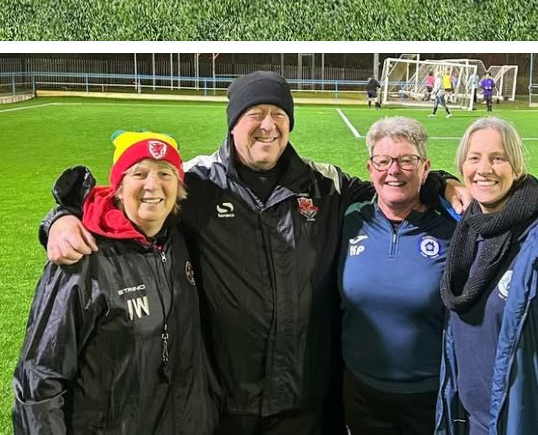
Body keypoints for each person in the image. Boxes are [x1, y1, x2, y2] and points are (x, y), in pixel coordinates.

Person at [42, 69, 462, 435]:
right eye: (254, 114)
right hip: (222, 401)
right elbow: (126, 203)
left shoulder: (325, 184)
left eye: (279, 115)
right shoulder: (197, 182)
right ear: (233, 123)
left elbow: (391, 187)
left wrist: (440, 181)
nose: (268, 125)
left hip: (303, 400)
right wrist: (60, 218)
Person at [14, 130, 216, 435]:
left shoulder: (180, 240)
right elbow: (40, 380)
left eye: (165, 173)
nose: (153, 185)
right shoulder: (82, 257)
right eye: (139, 173)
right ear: (118, 188)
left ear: (179, 187)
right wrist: (60, 219)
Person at [437, 116, 538, 433]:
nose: (484, 169)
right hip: (469, 422)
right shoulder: (467, 232)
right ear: (462, 168)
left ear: (517, 168)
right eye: (474, 158)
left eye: (497, 158)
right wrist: (441, 184)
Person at [339, 117, 457, 435]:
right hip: (361, 395)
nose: (394, 170)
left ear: (425, 167)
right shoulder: (348, 221)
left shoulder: (453, 229)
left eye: (407, 160)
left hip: (428, 397)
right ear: (370, 167)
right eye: (384, 161)